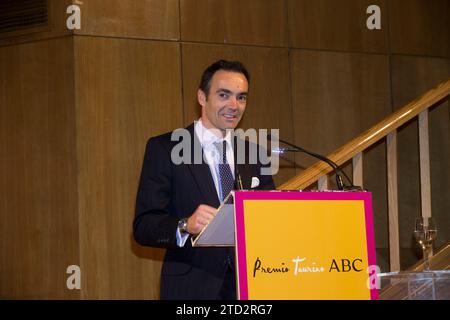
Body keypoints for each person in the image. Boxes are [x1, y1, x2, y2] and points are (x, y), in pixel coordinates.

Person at [133, 60, 275, 300]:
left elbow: (268, 219)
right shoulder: (166, 148)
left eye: (241, 97)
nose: (234, 105)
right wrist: (185, 225)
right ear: (202, 97)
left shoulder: (255, 154)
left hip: (249, 286)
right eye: (224, 95)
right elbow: (143, 227)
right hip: (192, 287)